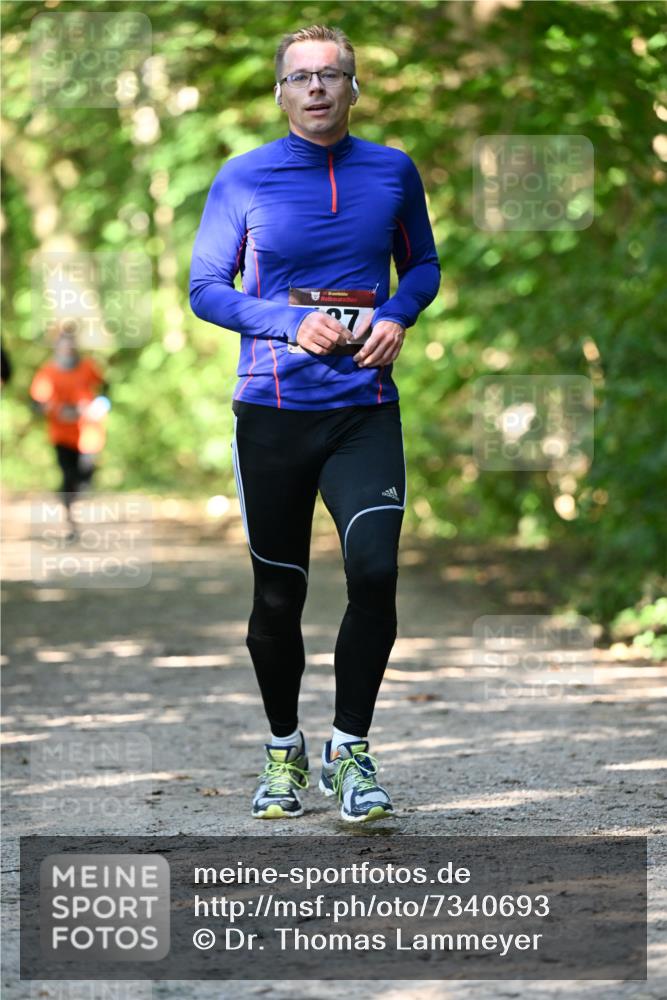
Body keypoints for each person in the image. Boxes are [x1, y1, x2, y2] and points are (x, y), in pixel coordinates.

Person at [190, 25, 440, 822]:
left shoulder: (392, 172)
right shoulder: (243, 178)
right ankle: (280, 752)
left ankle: (350, 750)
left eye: (332, 74)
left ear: (353, 88)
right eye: (301, 77)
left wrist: (399, 313)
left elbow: (423, 265)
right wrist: (284, 324)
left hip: (363, 410)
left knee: (373, 573)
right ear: (281, 92)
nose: (317, 87)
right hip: (272, 412)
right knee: (277, 596)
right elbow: (204, 287)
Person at [30, 321, 109, 540]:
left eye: (71, 345)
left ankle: (75, 503)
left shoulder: (89, 367)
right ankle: (71, 520)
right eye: (63, 345)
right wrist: (49, 408)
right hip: (62, 435)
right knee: (68, 476)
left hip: (89, 436)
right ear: (57, 347)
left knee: (84, 479)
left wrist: (100, 405)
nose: (68, 349)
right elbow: (36, 402)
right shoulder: (48, 372)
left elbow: (105, 390)